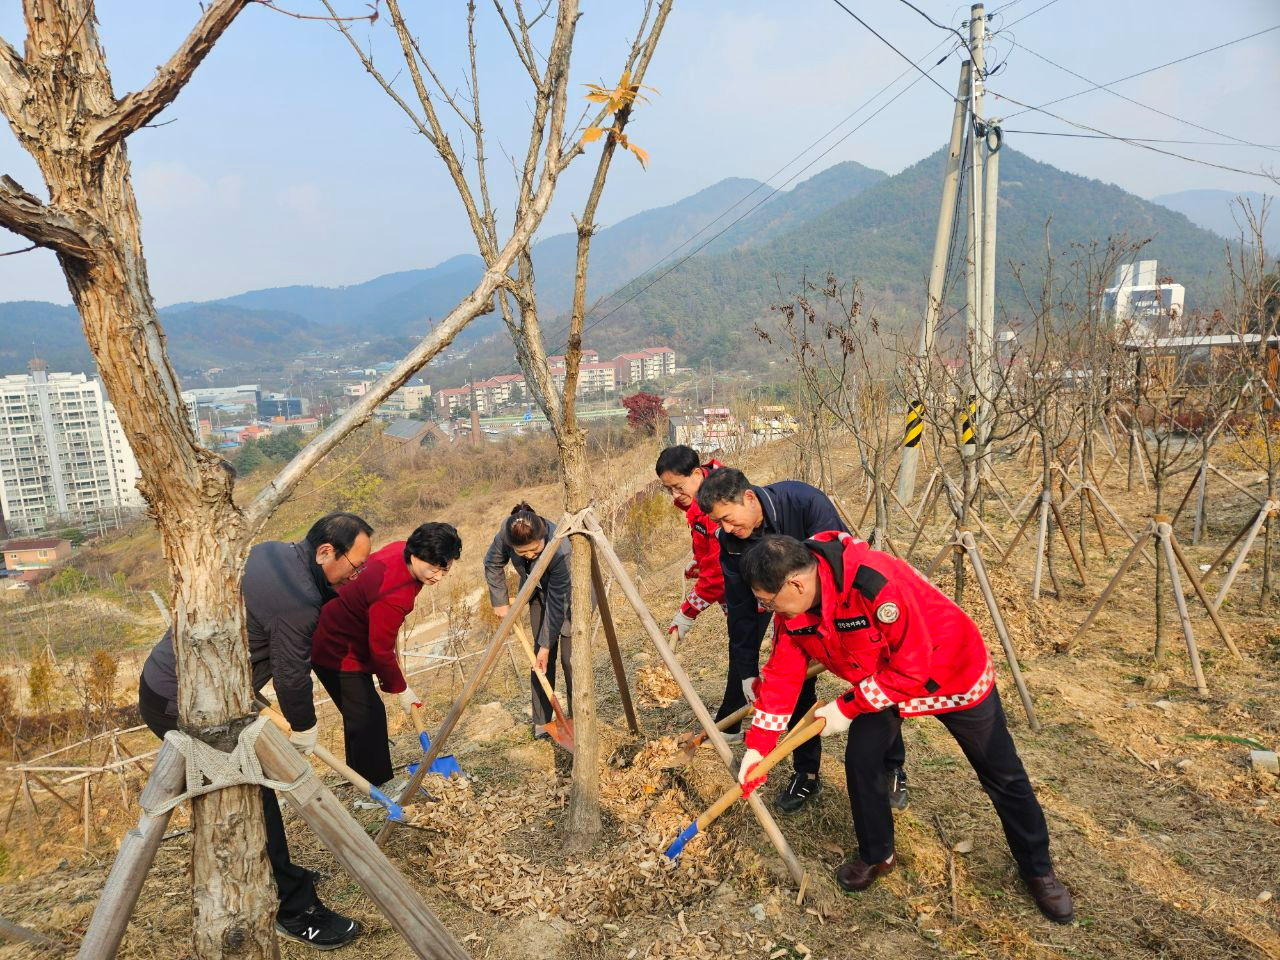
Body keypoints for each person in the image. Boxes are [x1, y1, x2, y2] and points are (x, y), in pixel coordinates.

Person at [736, 533, 1073, 923]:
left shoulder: (873, 584)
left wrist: (847, 707)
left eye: (767, 600)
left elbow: (913, 668)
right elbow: (782, 676)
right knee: (862, 759)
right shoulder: (793, 614)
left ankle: (1038, 869)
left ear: (795, 584)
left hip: (948, 669)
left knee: (1001, 771)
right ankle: (877, 855)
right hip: (880, 680)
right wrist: (758, 748)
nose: (766, 609)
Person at [138, 511, 373, 950]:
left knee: (240, 795)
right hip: (184, 703)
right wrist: (304, 729)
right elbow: (291, 677)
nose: (356, 576)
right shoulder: (299, 599)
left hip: (182, 683)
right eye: (355, 566)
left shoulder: (273, 553)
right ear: (326, 553)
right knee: (257, 791)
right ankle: (292, 908)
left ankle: (271, 881)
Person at [695, 466, 907, 814]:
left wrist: (837, 632)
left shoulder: (805, 503)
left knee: (871, 678)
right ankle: (806, 771)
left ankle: (892, 765)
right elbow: (742, 608)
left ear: (748, 498)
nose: (727, 529)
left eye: (729, 519)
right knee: (793, 693)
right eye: (720, 523)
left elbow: (837, 570)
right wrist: (747, 669)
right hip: (793, 621)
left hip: (842, 616)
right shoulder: (730, 543)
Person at [310, 521, 463, 789]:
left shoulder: (400, 550)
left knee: (359, 713)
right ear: (416, 555)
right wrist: (400, 688)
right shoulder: (395, 593)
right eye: (434, 568)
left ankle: (360, 778)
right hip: (335, 646)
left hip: (340, 630)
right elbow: (380, 650)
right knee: (368, 714)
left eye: (445, 570)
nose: (438, 577)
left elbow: (382, 636)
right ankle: (376, 787)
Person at [484, 503, 576, 740]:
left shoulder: (560, 548)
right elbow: (493, 563)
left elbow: (558, 604)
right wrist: (500, 601)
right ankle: (542, 721)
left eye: (534, 551)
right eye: (522, 553)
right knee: (540, 659)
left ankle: (578, 717)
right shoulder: (506, 535)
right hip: (536, 592)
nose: (529, 556)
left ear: (543, 534)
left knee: (570, 658)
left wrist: (547, 644)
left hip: (570, 596)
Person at [655, 444, 724, 646]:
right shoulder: (697, 499)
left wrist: (688, 612)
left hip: (753, 589)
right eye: (669, 489)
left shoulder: (719, 503)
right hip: (734, 587)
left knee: (743, 652)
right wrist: (700, 561)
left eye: (678, 487)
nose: (675, 495)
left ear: (696, 473)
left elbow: (718, 573)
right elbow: (706, 543)